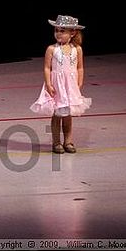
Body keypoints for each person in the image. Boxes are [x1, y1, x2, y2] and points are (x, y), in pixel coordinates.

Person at [30, 15, 91, 154]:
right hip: (57, 86)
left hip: (70, 86)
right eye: (56, 30)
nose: (58, 33)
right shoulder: (52, 49)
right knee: (57, 114)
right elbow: (47, 68)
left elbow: (80, 67)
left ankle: (68, 141)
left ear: (72, 33)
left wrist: (80, 82)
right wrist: (48, 84)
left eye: (62, 31)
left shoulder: (77, 49)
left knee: (68, 115)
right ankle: (56, 142)